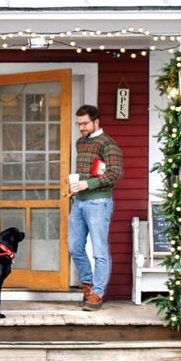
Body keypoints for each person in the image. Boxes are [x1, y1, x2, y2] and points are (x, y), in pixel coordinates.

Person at [68, 104, 124, 310]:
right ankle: (88, 284)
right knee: (74, 247)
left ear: (96, 122)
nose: (81, 127)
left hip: (99, 202)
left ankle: (97, 294)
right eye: (79, 124)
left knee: (99, 250)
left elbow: (115, 174)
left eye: (85, 123)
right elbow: (86, 172)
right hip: (79, 201)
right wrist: (77, 188)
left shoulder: (108, 144)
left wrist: (88, 184)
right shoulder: (81, 143)